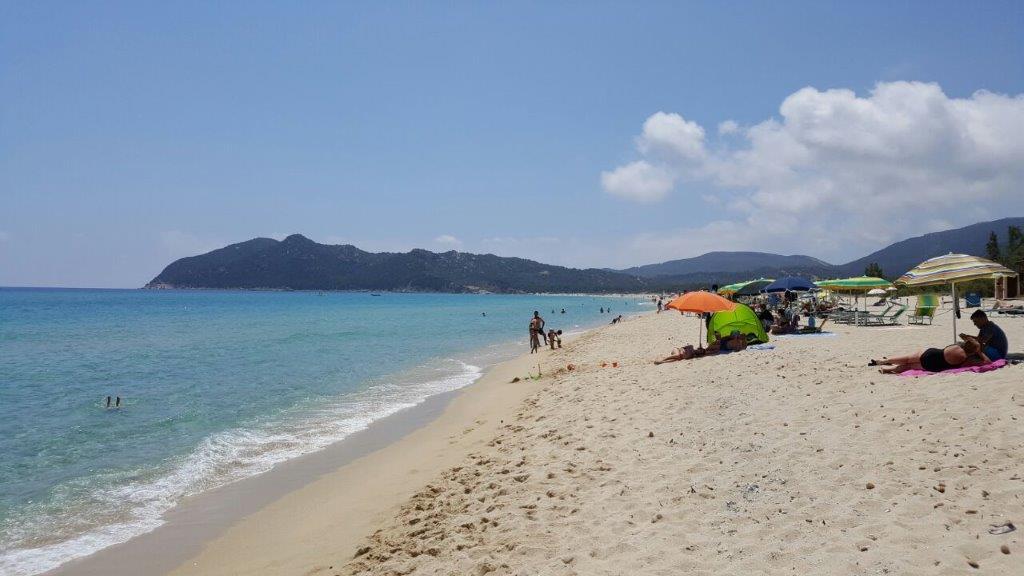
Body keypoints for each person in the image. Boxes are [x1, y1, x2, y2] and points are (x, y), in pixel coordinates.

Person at [869, 339, 988, 374]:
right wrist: (979, 352)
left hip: (932, 353)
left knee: (907, 358)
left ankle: (884, 360)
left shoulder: (956, 345)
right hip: (933, 365)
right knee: (909, 367)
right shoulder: (965, 359)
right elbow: (987, 362)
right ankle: (887, 369)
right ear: (973, 351)